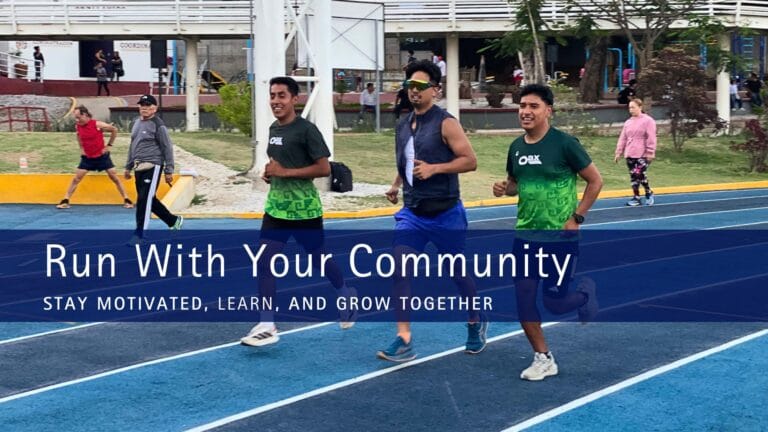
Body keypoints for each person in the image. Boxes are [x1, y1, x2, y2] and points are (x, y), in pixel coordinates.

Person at [378, 60, 488, 362]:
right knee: (400, 269)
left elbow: (470, 160)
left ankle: (475, 321)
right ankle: (404, 338)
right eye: (410, 86)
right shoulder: (403, 124)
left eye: (421, 86)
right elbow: (408, 160)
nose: (414, 91)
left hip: (445, 213)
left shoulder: (446, 122)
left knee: (458, 275)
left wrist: (436, 168)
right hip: (412, 213)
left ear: (435, 91)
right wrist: (396, 184)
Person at [492, 84, 602, 381]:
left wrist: (577, 217)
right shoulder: (516, 147)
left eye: (533, 106)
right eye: (522, 106)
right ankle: (543, 357)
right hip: (526, 236)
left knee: (554, 303)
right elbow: (515, 183)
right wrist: (505, 189)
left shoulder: (565, 144)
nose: (526, 112)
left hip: (561, 239)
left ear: (548, 111)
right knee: (524, 300)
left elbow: (595, 181)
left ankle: (583, 297)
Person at [240, 76, 357, 347]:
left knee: (318, 260)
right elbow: (278, 162)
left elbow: (324, 169)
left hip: (304, 210)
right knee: (264, 261)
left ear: (295, 99)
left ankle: (345, 293)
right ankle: (267, 323)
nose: (275, 101)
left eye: (281, 95)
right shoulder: (273, 128)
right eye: (272, 95)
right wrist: (271, 174)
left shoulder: (307, 130)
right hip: (276, 208)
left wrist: (286, 172)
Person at [124, 94, 183, 245]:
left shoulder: (158, 124)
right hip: (138, 166)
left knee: (143, 200)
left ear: (154, 108)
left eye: (147, 105)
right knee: (149, 199)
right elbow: (133, 145)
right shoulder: (136, 123)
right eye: (142, 105)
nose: (144, 108)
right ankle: (173, 221)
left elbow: (167, 147)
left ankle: (140, 234)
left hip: (153, 165)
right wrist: (128, 166)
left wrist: (169, 170)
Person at [56, 106, 133, 210]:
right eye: (76, 118)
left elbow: (114, 130)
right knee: (76, 178)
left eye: (79, 117)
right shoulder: (78, 126)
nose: (77, 120)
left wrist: (109, 145)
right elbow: (78, 136)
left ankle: (127, 199)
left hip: (102, 156)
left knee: (114, 177)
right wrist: (81, 148)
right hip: (87, 157)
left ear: (85, 115)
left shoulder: (97, 124)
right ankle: (65, 200)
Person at [615, 98, 656, 206]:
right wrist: (619, 152)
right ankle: (636, 197)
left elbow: (651, 137)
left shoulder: (648, 121)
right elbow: (623, 137)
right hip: (630, 153)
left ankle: (648, 192)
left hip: (642, 153)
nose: (631, 110)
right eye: (629, 108)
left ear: (640, 107)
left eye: (633, 107)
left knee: (639, 173)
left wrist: (650, 152)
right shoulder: (628, 122)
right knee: (633, 176)